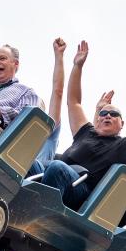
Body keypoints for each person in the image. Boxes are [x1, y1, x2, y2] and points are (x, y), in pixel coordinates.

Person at [35, 40, 126, 210]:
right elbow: (73, 102)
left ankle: (38, 212)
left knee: (56, 167)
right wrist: (77, 66)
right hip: (53, 178)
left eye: (114, 114)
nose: (107, 116)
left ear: (122, 124)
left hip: (80, 192)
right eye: (103, 113)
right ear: (97, 118)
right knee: (33, 164)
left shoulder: (122, 147)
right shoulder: (85, 132)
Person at [34, 37, 68, 167]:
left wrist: (59, 57)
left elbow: (57, 92)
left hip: (35, 177)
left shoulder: (48, 134)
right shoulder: (15, 139)